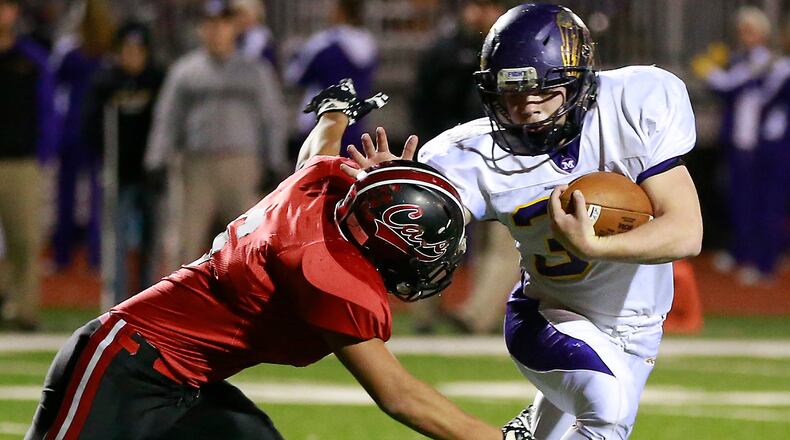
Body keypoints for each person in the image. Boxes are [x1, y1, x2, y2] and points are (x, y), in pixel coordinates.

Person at [25, 80, 530, 440]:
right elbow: (400, 396)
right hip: (125, 365)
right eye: (427, 250)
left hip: (187, 381)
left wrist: (336, 113)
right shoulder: (327, 271)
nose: (434, 262)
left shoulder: (327, 187)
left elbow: (317, 151)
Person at [416, 4, 703, 439]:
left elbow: (686, 231)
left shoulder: (632, 105)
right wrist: (396, 190)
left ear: (578, 80)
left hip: (640, 326)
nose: (526, 106)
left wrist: (596, 246)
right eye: (512, 92)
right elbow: (417, 221)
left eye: (543, 90)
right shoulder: (470, 155)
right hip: (548, 315)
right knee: (609, 413)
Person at [145, 0, 288, 267]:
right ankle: (182, 296)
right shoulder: (185, 71)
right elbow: (168, 118)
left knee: (251, 245)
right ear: (200, 29)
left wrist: (274, 161)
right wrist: (156, 159)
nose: (217, 30)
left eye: (223, 23)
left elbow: (272, 118)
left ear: (234, 27)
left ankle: (250, 296)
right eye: (210, 24)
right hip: (196, 166)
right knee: (184, 244)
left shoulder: (255, 70)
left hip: (242, 166)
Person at [408, 0, 517, 335]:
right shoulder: (446, 51)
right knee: (434, 232)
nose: (480, 14)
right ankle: (423, 310)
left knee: (502, 241)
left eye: (488, 6)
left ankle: (475, 316)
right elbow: (423, 103)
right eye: (476, 5)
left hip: (503, 157)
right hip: (452, 159)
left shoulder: (511, 50)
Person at [81, 22, 165, 302]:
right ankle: (116, 301)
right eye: (127, 50)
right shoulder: (106, 82)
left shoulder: (158, 80)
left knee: (151, 241)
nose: (132, 56)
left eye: (138, 50)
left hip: (151, 174)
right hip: (118, 172)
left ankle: (147, 299)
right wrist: (102, 156)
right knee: (114, 241)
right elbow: (91, 124)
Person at [691, 6, 773, 285]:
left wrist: (711, 72)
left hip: (757, 143)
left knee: (757, 203)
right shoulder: (740, 58)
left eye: (749, 31)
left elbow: (729, 86)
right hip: (738, 140)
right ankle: (740, 251)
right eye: (741, 31)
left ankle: (758, 259)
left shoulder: (763, 61)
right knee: (737, 199)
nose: (744, 36)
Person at [0, 0, 58, 331]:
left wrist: (44, 152)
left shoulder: (32, 59)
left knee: (24, 240)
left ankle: (25, 312)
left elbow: (47, 108)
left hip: (21, 163)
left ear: (15, 13)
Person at [285, 0, 377, 157]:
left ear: (340, 11)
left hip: (321, 123)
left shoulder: (323, 44)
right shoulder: (369, 44)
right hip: (354, 124)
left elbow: (295, 76)